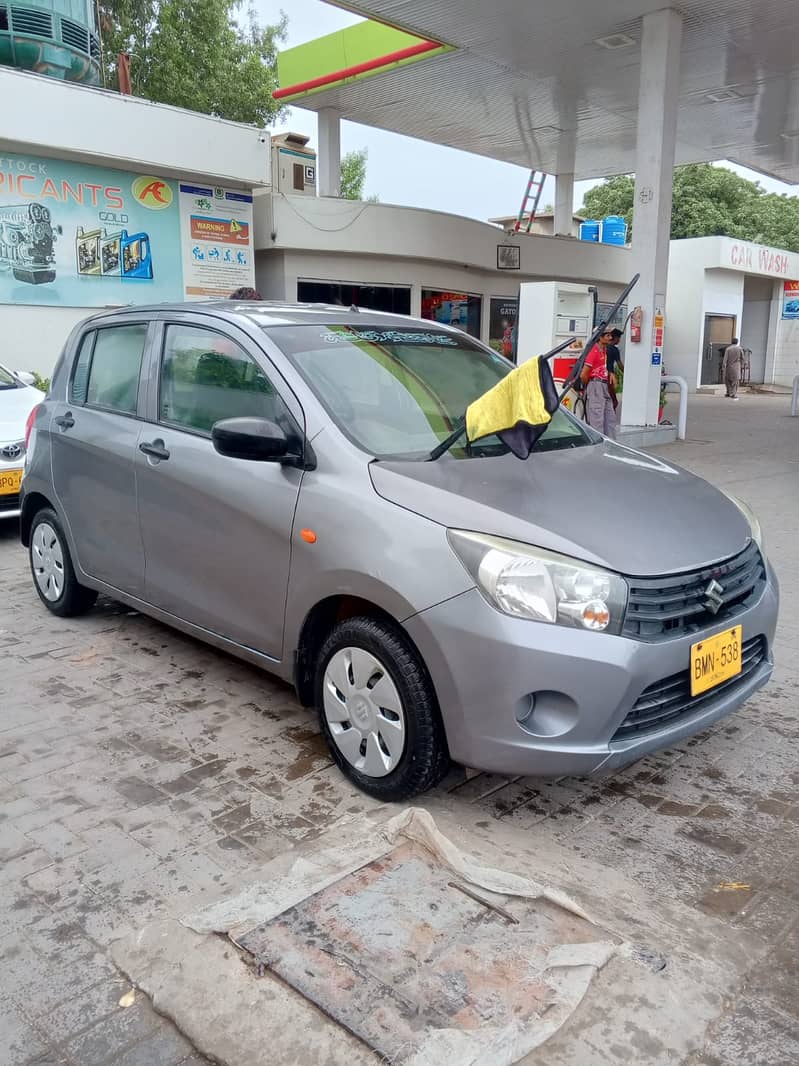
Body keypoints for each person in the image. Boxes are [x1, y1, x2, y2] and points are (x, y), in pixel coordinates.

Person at [579, 329, 616, 437]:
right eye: (607, 335)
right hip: (596, 385)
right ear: (600, 337)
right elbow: (583, 374)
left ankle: (611, 444)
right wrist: (590, 386)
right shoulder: (593, 351)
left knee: (610, 418)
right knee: (597, 419)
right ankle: (599, 448)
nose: (610, 338)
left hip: (603, 385)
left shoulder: (604, 351)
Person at [605, 328, 624, 411]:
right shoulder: (614, 349)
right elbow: (619, 364)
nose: (619, 340)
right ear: (615, 338)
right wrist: (627, 374)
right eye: (619, 338)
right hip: (610, 376)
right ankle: (610, 417)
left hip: (601, 375)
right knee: (614, 401)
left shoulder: (604, 347)